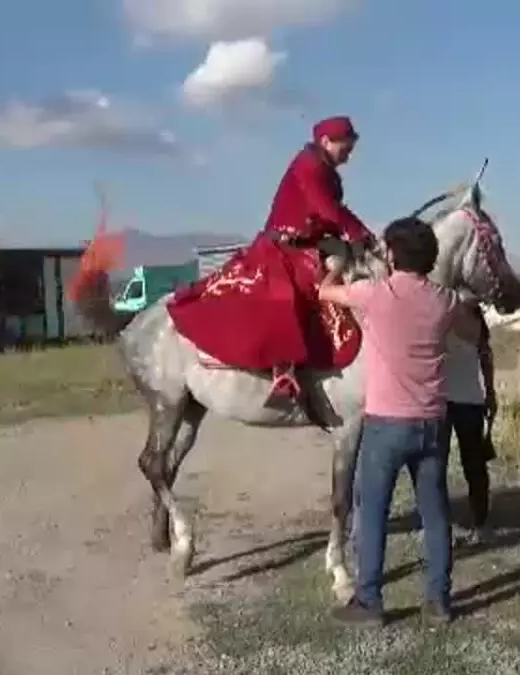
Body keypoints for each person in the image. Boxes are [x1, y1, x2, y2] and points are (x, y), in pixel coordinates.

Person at [318, 217, 482, 627]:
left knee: (371, 510)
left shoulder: (372, 295)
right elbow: (473, 333)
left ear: (391, 255)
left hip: (386, 424)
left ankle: (370, 601)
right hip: (432, 422)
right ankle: (439, 601)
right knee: (435, 511)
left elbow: (323, 292)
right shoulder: (443, 300)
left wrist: (337, 263)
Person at [166, 115, 375, 399]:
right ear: (326, 142)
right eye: (345, 149)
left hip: (310, 245)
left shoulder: (325, 170)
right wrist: (357, 232)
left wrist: (359, 236)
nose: (348, 156)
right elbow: (327, 209)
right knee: (285, 297)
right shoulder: (309, 166)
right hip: (282, 248)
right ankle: (283, 369)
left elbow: (331, 212)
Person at [443, 303, 499, 542]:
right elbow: (486, 356)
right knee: (474, 466)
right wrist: (490, 392)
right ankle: (481, 525)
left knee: (436, 467)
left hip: (442, 400)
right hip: (469, 400)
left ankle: (444, 529)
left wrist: (489, 391)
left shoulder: (438, 309)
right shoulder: (475, 316)